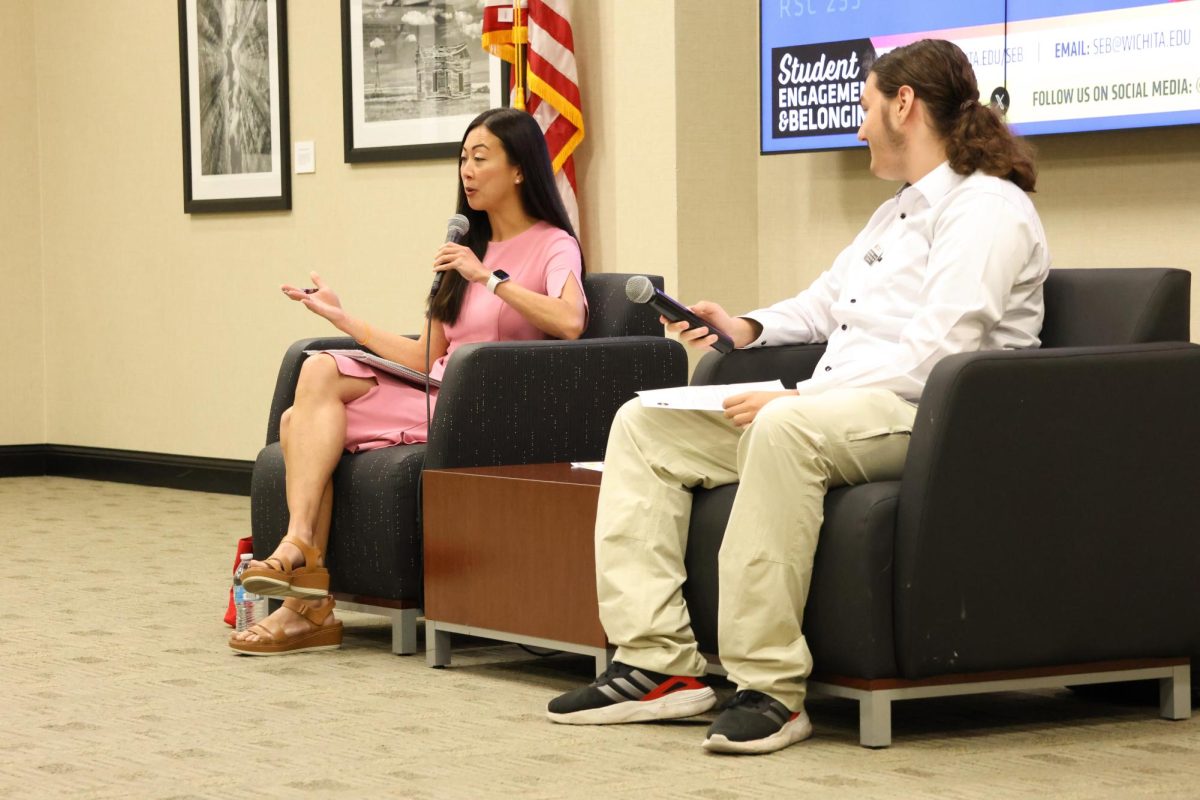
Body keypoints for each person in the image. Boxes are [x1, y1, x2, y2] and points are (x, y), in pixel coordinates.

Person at [547, 39, 1050, 754]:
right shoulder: (897, 211)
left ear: (904, 105)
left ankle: (772, 690)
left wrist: (796, 402)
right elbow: (826, 303)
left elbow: (940, 355)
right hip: (843, 404)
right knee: (642, 425)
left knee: (785, 433)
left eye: (866, 106)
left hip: (936, 416)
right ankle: (658, 665)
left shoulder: (987, 210)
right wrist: (746, 327)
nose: (858, 124)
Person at [230, 107, 588, 655]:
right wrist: (341, 320)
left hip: (486, 404)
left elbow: (570, 321)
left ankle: (307, 598)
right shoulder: (466, 245)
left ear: (519, 170)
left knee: (297, 423)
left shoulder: (553, 244)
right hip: (437, 390)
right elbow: (425, 354)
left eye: (480, 157)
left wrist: (488, 278)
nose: (466, 170)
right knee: (317, 371)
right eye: (462, 158)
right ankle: (302, 557)